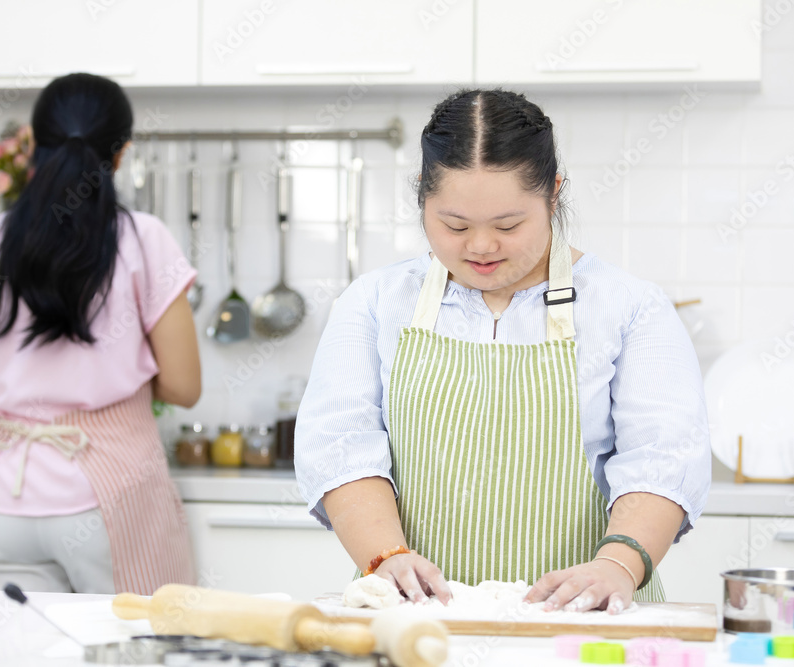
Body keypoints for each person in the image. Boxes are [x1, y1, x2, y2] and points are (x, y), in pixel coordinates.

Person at [295, 89, 711, 613]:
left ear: (553, 194)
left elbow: (662, 458)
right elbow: (340, 445)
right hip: (414, 621)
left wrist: (617, 566)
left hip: (582, 626)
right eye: (455, 225)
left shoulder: (629, 308)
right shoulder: (375, 303)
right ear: (421, 197)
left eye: (508, 225)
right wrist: (386, 556)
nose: (481, 246)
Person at [0, 73, 201, 595]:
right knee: (128, 651)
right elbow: (183, 386)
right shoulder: (143, 238)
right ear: (122, 152)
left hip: (3, 505)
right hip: (109, 500)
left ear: (33, 147)